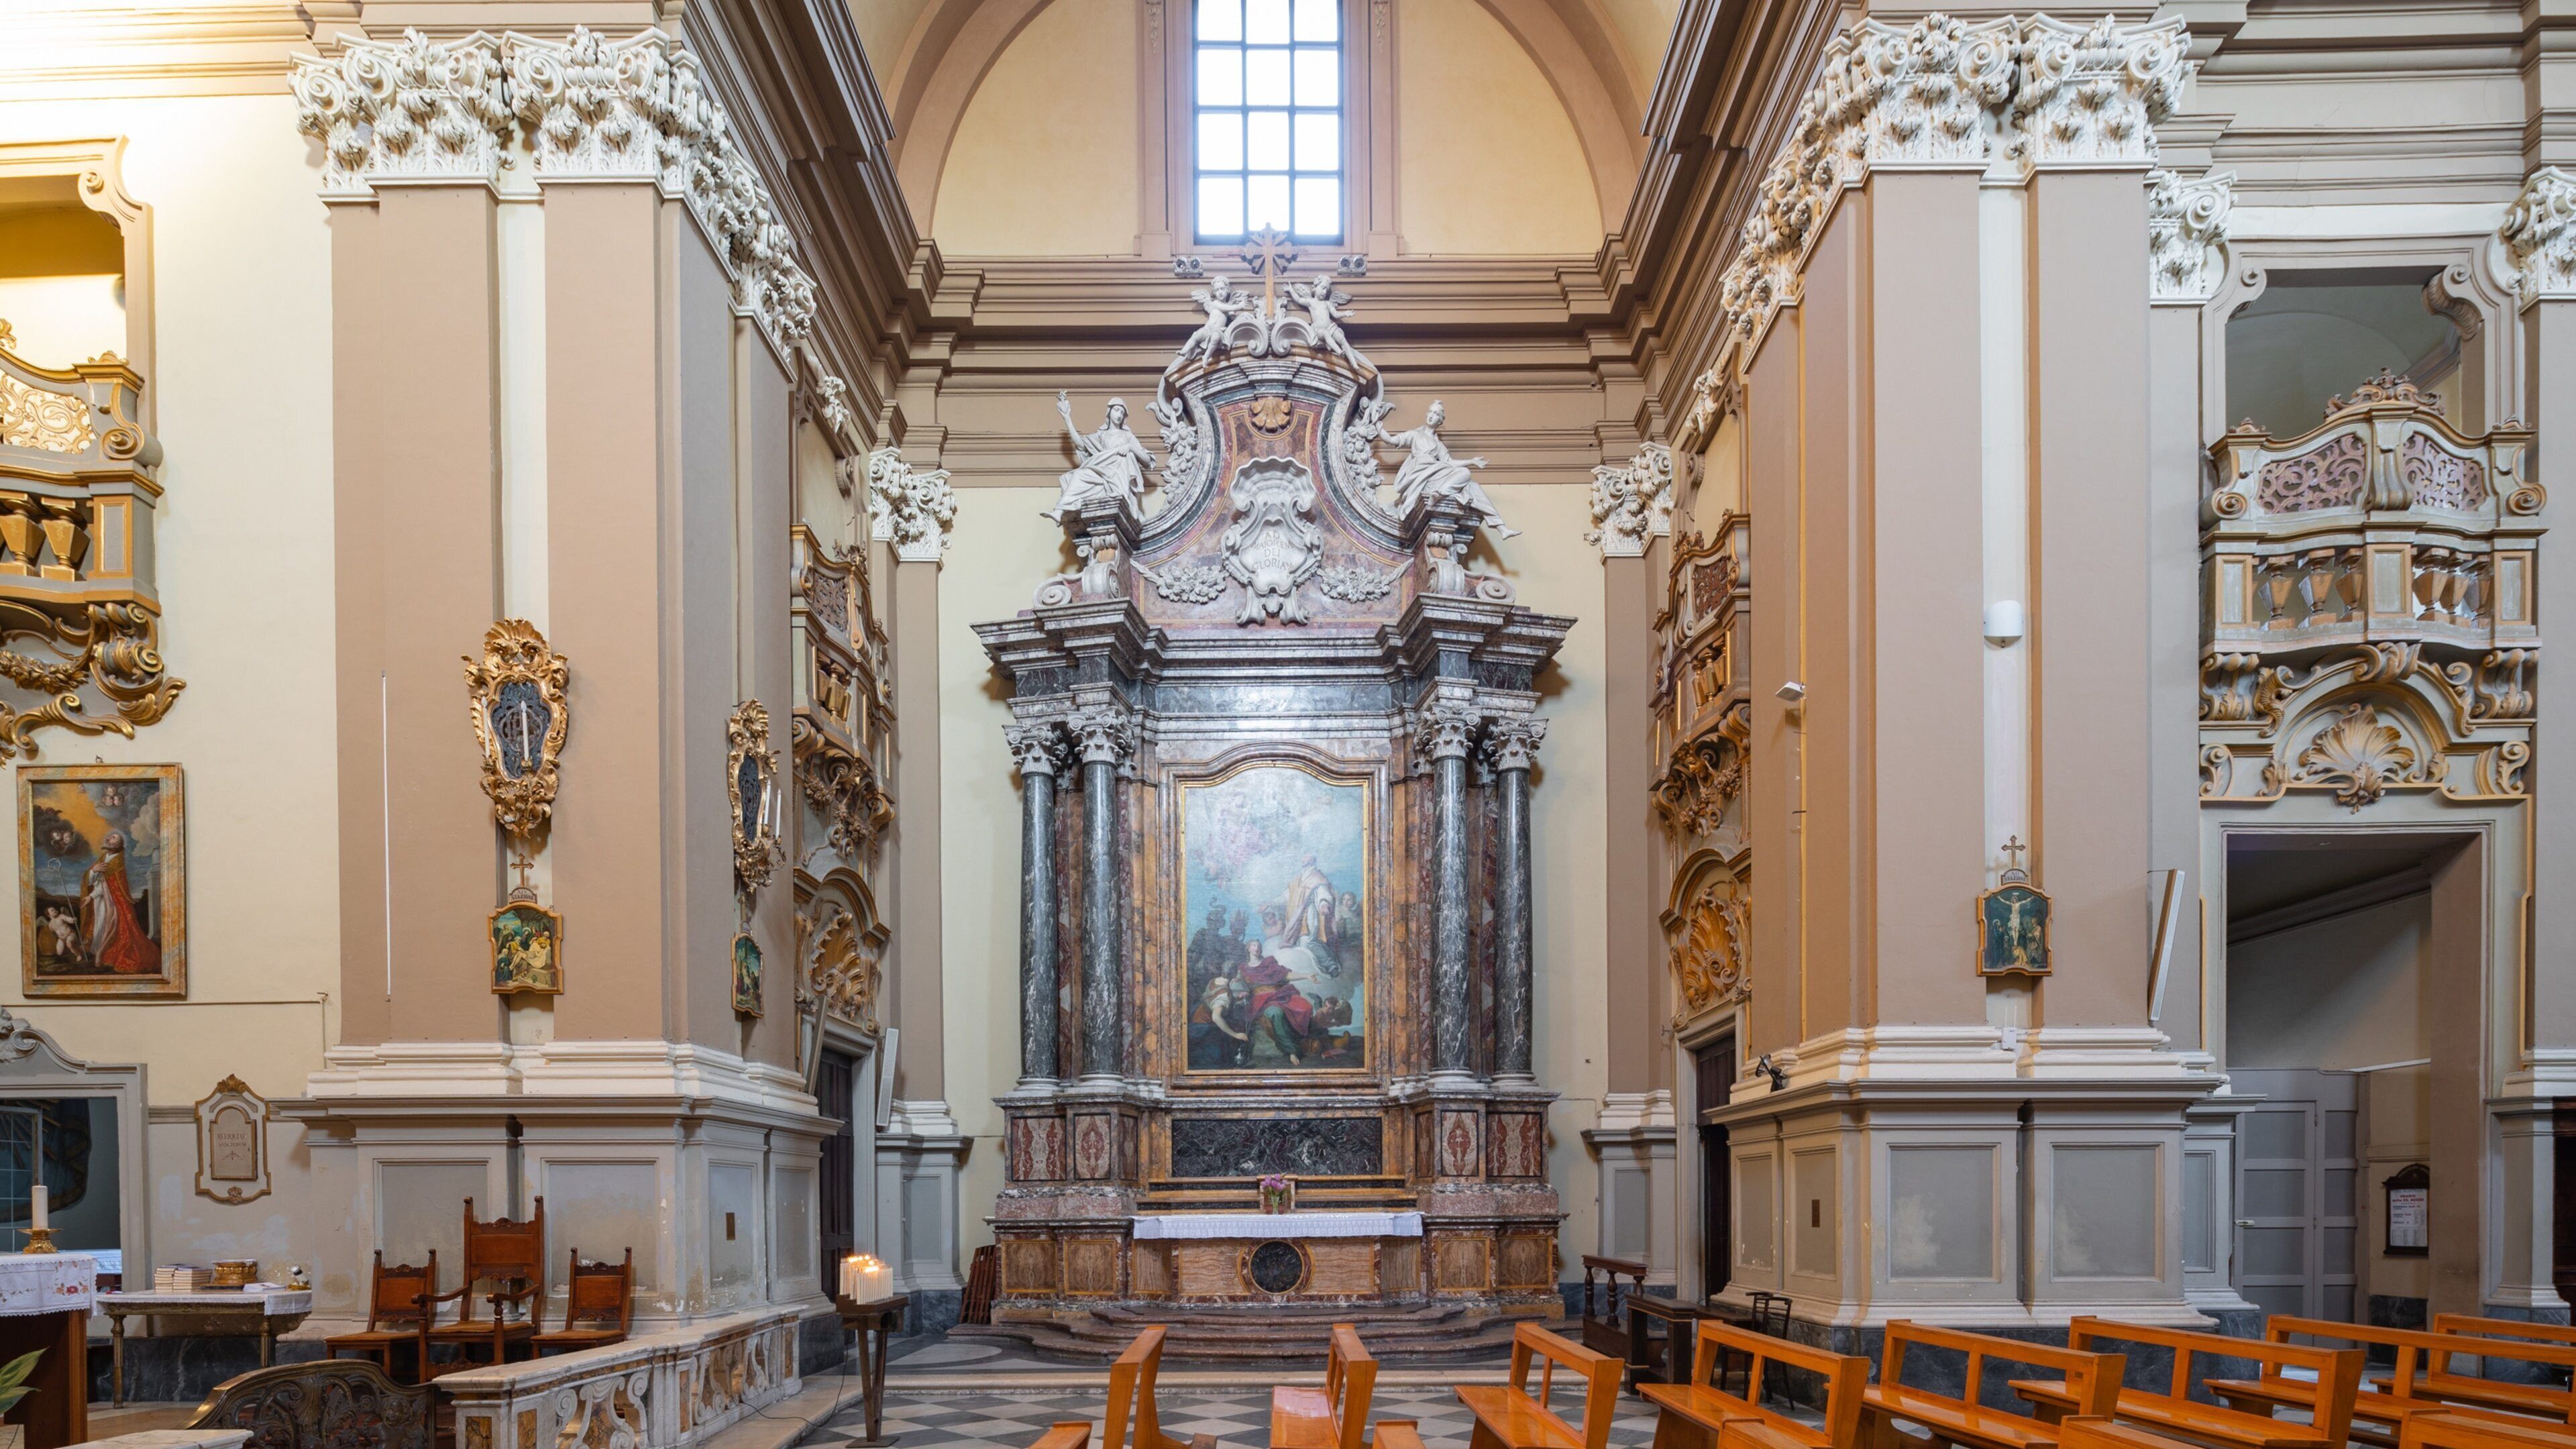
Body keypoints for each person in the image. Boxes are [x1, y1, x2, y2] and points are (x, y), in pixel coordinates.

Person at [1381, 400, 1517, 537]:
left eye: (1436, 414)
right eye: (1430, 411)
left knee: (1471, 484)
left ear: (1440, 421)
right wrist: (1377, 426)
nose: (1431, 415)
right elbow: (1391, 441)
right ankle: (1439, 493)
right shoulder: (1415, 435)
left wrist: (1472, 461)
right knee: (1465, 476)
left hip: (1435, 473)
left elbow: (1449, 462)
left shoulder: (1438, 445)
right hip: (1421, 476)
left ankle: (1501, 527)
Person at [1050, 392, 1155, 521]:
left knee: (1120, 462)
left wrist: (1130, 447)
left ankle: (1123, 498)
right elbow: (1081, 445)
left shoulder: (1127, 436)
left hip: (1118, 473)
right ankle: (1058, 512)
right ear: (1109, 412)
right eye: (1117, 410)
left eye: (1122, 413)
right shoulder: (1100, 435)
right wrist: (1067, 419)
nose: (1120, 415)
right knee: (1077, 475)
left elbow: (1148, 460)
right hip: (1102, 470)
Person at [80, 830, 160, 975]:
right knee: (100, 926)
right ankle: (98, 952)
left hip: (114, 904)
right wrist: (93, 874)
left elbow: (112, 887)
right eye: (110, 837)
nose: (109, 838)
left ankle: (101, 954)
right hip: (101, 903)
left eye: (113, 838)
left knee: (112, 927)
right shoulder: (104, 858)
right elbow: (97, 883)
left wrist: (96, 881)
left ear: (118, 845)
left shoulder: (118, 863)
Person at [1238, 938, 1315, 1066]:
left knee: (1305, 1007)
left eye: (1259, 945)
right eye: (1254, 945)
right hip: (1260, 1003)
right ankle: (1292, 1051)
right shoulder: (1243, 969)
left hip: (1278, 995)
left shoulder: (1269, 963)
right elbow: (1238, 985)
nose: (1257, 948)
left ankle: (1301, 1040)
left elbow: (1286, 975)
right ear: (1248, 949)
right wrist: (1240, 994)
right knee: (1276, 1013)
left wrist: (1306, 976)